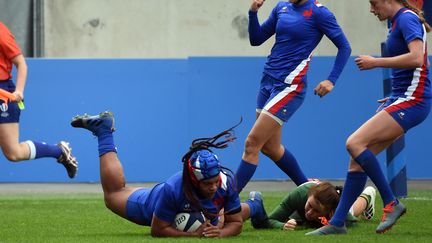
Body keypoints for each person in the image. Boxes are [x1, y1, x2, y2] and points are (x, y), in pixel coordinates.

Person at [306, 0, 431, 235]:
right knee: (358, 159)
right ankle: (337, 223)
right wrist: (394, 97)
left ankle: (391, 202)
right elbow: (411, 71)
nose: (372, 10)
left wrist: (376, 62)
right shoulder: (398, 22)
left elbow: (417, 59)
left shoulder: (406, 19)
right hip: (405, 99)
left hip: (414, 101)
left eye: (374, 4)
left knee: (354, 143)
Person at [235, 0, 352, 191]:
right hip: (267, 83)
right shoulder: (281, 7)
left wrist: (331, 80)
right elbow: (256, 39)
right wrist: (253, 12)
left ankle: (224, 204)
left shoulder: (319, 13)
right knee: (270, 148)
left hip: (289, 87)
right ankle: (310, 189)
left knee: (252, 144)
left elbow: (344, 47)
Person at [71, 111, 243, 238]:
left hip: (202, 210)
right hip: (151, 204)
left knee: (225, 215)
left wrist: (221, 233)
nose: (213, 186)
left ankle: (256, 205)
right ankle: (104, 132)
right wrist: (193, 235)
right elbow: (158, 230)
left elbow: (235, 221)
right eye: (207, 183)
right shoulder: (174, 188)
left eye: (215, 182)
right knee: (113, 195)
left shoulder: (227, 182)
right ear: (194, 179)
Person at [0, 21, 77, 178]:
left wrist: (19, 91)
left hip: (4, 96)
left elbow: (21, 64)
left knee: (13, 153)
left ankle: (59, 151)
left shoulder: (1, 32)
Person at [242, 181, 376, 230]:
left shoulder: (338, 212)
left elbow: (353, 223)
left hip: (338, 207)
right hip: (305, 198)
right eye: (309, 205)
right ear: (308, 196)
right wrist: (282, 225)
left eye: (316, 211)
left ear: (329, 212)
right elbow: (269, 220)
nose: (310, 213)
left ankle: (367, 195)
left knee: (353, 211)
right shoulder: (299, 195)